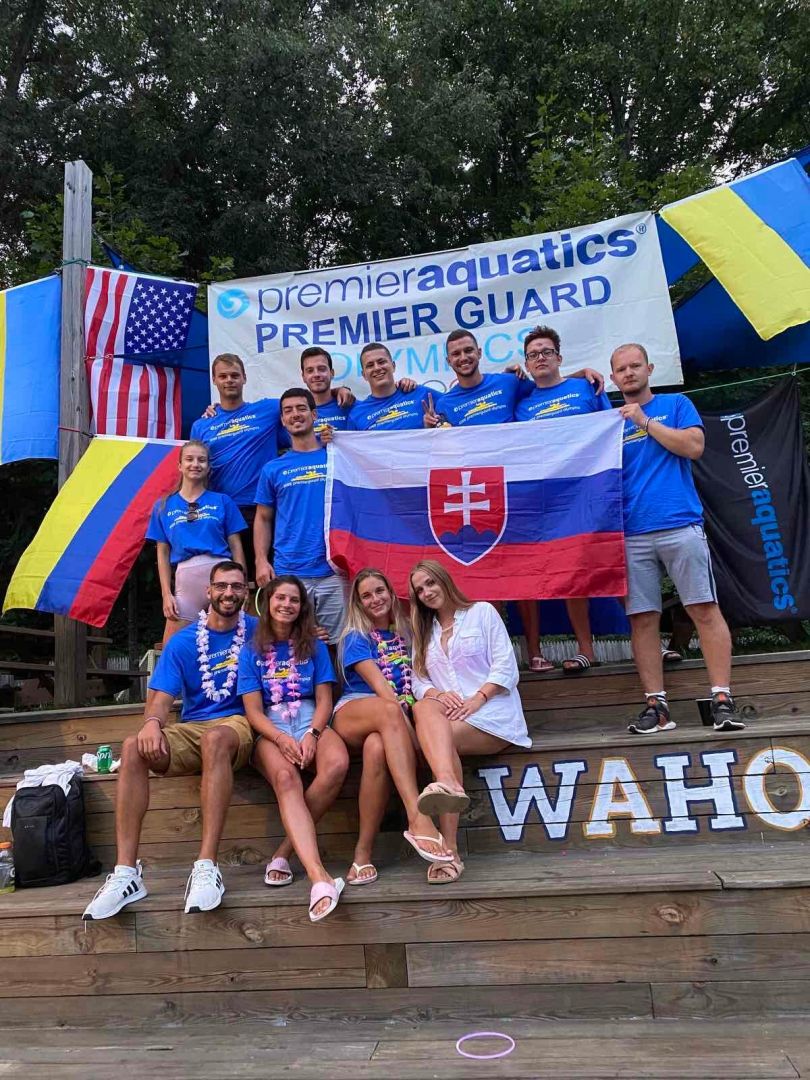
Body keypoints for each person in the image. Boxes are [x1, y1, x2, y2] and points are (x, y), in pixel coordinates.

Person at [83, 561, 257, 920]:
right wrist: (151, 723)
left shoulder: (258, 630)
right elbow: (161, 698)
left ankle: (207, 866)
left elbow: (296, 638)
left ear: (246, 592)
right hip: (192, 727)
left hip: (238, 724)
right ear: (208, 592)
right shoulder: (183, 641)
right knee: (132, 747)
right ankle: (126, 874)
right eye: (221, 586)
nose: (229, 593)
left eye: (237, 586)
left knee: (215, 739)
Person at [610, 342, 745, 735]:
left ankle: (722, 698)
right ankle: (657, 706)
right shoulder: (609, 420)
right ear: (614, 377)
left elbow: (694, 447)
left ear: (650, 369)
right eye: (621, 369)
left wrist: (644, 422)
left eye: (635, 365)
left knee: (703, 608)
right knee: (642, 619)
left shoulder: (676, 404)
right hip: (631, 533)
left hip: (679, 524)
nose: (629, 373)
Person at [408, 560, 531, 883]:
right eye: (419, 590)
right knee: (423, 709)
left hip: (492, 714)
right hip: (449, 717)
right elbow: (418, 682)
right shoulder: (424, 633)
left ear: (444, 581)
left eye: (430, 583)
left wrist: (478, 698)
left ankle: (448, 847)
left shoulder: (482, 613)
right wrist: (439, 693)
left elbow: (506, 667)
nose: (426, 592)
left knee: (438, 741)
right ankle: (448, 785)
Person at [238, 574, 349, 922]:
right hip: (270, 726)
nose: (287, 605)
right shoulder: (251, 649)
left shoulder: (313, 645)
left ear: (302, 608)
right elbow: (253, 711)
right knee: (286, 778)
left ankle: (284, 852)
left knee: (337, 763)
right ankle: (319, 878)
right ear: (267, 602)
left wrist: (313, 734)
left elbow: (324, 699)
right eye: (280, 598)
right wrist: (280, 738)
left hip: (310, 717)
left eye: (294, 600)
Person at [332, 568, 453, 885]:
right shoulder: (355, 637)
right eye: (366, 595)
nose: (375, 599)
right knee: (388, 710)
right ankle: (417, 816)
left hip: (392, 722)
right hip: (356, 710)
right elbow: (384, 691)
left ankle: (362, 855)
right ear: (358, 603)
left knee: (376, 748)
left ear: (390, 593)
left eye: (380, 591)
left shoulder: (407, 634)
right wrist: (414, 738)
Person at [192, 353, 353, 575]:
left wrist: (338, 391)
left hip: (260, 507)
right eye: (223, 376)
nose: (229, 380)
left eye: (235, 375)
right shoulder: (201, 425)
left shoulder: (268, 409)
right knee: (229, 581)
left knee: (265, 578)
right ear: (214, 380)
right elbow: (196, 470)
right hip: (221, 512)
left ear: (244, 378)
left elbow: (301, 403)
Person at [514, 325, 613, 674]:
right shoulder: (522, 404)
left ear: (559, 356)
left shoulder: (586, 387)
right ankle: (580, 649)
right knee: (562, 572)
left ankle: (639, 642)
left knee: (605, 567)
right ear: (527, 363)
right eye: (533, 354)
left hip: (589, 494)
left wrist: (581, 373)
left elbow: (610, 431)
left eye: (546, 352)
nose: (540, 358)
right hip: (546, 501)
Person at [254, 387, 347, 645]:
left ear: (314, 414)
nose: (295, 414)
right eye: (288, 411)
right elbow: (263, 518)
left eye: (301, 408)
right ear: (282, 420)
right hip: (290, 571)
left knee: (339, 647)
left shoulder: (337, 457)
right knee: (290, 644)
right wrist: (261, 560)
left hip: (334, 570)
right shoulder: (273, 468)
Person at [146, 440, 246, 644]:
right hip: (186, 580)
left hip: (222, 576)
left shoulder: (222, 501)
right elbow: (162, 553)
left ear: (208, 467)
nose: (195, 464)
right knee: (173, 646)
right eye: (189, 459)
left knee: (230, 642)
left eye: (201, 460)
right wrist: (166, 594)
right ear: (179, 465)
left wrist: (242, 586)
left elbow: (236, 546)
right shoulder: (163, 505)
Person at [300, 346, 417, 440]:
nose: (316, 374)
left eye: (322, 369)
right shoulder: (296, 415)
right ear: (303, 377)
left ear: (332, 373)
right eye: (310, 371)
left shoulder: (353, 407)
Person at [344, 342, 442, 431]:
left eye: (381, 362)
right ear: (364, 375)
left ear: (393, 366)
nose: (377, 368)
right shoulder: (357, 415)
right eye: (370, 365)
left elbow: (450, 404)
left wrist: (436, 424)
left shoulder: (420, 393)